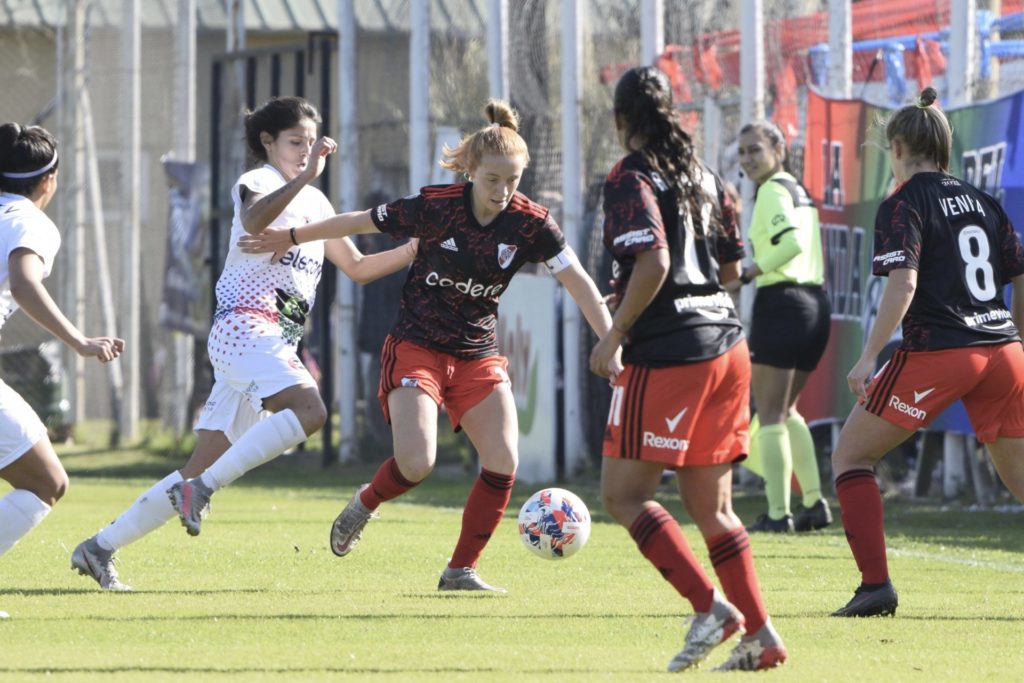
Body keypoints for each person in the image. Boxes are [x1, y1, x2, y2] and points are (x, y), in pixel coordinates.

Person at [238, 99, 620, 592]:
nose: (503, 191)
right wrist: (290, 235)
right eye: (492, 180)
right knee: (418, 463)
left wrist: (611, 343)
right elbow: (355, 222)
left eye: (513, 181)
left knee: (504, 458)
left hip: (477, 353)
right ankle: (366, 502)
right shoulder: (437, 206)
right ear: (470, 171)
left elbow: (582, 284)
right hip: (416, 346)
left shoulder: (532, 223)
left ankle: (460, 570)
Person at [71, 96, 416, 590]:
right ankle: (202, 492)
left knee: (198, 464)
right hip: (244, 329)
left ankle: (98, 548)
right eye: (295, 142)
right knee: (312, 411)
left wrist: (412, 249)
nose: (305, 151)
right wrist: (304, 176)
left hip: (271, 343)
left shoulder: (316, 203)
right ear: (267, 142)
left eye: (311, 143)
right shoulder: (262, 182)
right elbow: (255, 222)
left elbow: (358, 268)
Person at [589, 67, 787, 672]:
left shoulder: (630, 176)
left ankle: (711, 609)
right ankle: (761, 636)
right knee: (714, 509)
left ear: (622, 121)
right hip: (728, 347)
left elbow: (653, 259)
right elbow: (730, 270)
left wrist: (615, 333)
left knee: (624, 495)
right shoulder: (706, 177)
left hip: (671, 353)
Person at [831, 87, 1024, 617]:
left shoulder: (904, 200)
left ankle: (875, 588)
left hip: (943, 351)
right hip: (1004, 351)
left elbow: (903, 283)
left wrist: (869, 356)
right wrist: (1018, 337)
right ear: (946, 148)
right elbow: (1020, 271)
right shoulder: (983, 200)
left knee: (851, 456)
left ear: (896, 146)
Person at [0, 123, 124, 610]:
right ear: (48, 180)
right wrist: (79, 341)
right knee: (44, 481)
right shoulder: (27, 220)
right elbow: (25, 282)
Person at [725, 120, 833, 533]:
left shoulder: (772, 191)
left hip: (784, 303)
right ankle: (813, 503)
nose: (748, 158)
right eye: (743, 152)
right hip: (814, 306)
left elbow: (790, 244)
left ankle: (776, 513)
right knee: (787, 410)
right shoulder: (795, 189)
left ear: (779, 150)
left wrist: (747, 275)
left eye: (756, 149)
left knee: (769, 413)